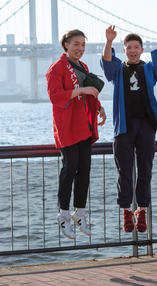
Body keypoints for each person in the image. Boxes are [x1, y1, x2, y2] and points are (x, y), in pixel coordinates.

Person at [101, 17, 157, 233]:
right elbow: (106, 60)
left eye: (136, 47)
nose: (133, 51)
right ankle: (125, 211)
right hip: (123, 126)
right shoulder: (117, 70)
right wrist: (108, 41)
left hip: (146, 126)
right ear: (123, 50)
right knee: (124, 171)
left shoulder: (150, 69)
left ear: (141, 49)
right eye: (129, 48)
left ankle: (141, 210)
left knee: (145, 170)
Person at [46, 29, 107, 239]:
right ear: (66, 45)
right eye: (76, 44)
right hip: (66, 126)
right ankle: (63, 213)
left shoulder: (83, 67)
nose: (80, 48)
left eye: (83, 45)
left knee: (85, 169)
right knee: (70, 167)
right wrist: (81, 91)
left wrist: (99, 107)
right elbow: (54, 96)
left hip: (83, 126)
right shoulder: (56, 69)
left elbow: (90, 92)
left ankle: (79, 212)